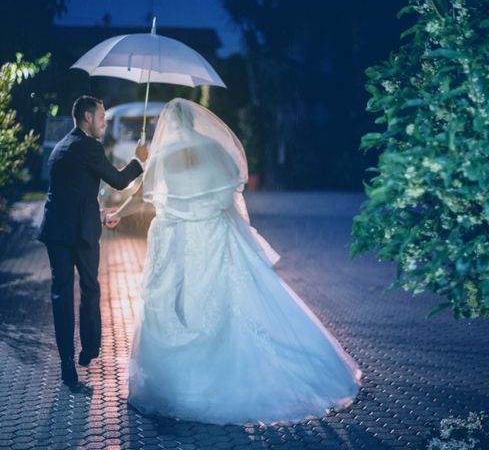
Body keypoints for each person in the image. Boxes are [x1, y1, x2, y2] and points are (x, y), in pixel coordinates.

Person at [107, 98, 361, 424]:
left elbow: (142, 196)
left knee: (175, 307)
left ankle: (179, 385)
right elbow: (231, 189)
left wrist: (117, 210)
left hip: (177, 242)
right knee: (222, 305)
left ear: (166, 126)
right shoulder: (213, 148)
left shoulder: (163, 156)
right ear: (195, 121)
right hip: (212, 237)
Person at [37, 95, 148, 386]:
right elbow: (120, 181)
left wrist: (96, 211)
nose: (104, 122)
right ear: (87, 117)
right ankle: (89, 348)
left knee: (61, 295)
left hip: (56, 231)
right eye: (101, 117)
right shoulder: (89, 146)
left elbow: (71, 192)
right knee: (89, 289)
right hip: (80, 235)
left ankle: (67, 365)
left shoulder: (62, 146)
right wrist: (140, 160)